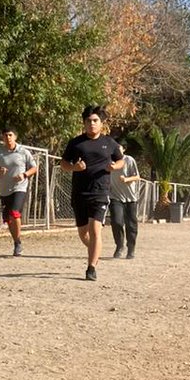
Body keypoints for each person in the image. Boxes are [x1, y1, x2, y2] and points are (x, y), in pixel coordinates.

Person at [60, 105, 124, 281]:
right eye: (88, 121)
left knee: (96, 230)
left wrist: (114, 166)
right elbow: (63, 164)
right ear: (84, 123)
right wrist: (75, 167)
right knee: (83, 233)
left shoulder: (110, 143)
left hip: (100, 192)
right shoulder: (75, 143)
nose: (92, 124)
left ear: (102, 123)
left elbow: (121, 162)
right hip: (79, 192)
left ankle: (91, 268)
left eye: (95, 120)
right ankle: (95, 251)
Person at [0, 126, 37, 256]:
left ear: (15, 137)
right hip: (5, 190)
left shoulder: (24, 152)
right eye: (5, 135)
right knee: (9, 219)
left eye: (10, 135)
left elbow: (34, 168)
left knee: (15, 213)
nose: (8, 138)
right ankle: (17, 241)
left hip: (20, 187)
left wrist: (24, 175)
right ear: (2, 137)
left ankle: (17, 244)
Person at [109, 146, 141, 259]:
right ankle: (119, 246)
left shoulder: (129, 160)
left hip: (131, 198)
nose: (116, 150)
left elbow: (137, 177)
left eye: (119, 148)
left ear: (124, 150)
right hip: (115, 196)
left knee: (131, 224)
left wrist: (126, 179)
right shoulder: (109, 161)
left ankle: (131, 249)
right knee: (116, 222)